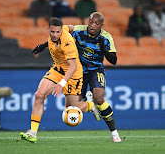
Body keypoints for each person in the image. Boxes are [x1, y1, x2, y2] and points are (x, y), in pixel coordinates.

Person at [32, 12, 122, 142]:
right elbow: (59, 34)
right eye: (91, 22)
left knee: (99, 97)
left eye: (96, 24)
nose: (92, 25)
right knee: (71, 109)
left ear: (101, 25)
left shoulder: (106, 37)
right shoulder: (79, 30)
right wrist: (44, 45)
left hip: (95, 70)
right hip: (78, 72)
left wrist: (103, 47)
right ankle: (91, 105)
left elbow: (113, 60)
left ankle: (114, 133)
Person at [20, 18, 100, 143]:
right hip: (57, 70)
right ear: (48, 29)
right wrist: (43, 46)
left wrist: (60, 84)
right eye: (52, 32)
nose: (55, 35)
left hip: (73, 74)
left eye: (58, 32)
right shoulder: (62, 30)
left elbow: (73, 67)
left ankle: (90, 105)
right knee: (39, 95)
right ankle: (32, 132)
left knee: (72, 109)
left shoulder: (66, 42)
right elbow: (72, 27)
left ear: (61, 31)